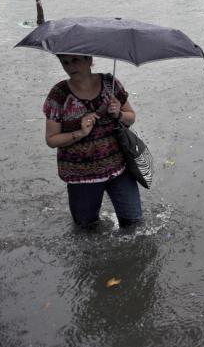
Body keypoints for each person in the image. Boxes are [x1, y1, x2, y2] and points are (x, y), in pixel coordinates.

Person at [43, 55, 142, 228]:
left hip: (120, 168)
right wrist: (80, 133)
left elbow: (131, 118)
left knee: (134, 224)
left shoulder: (110, 84)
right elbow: (51, 140)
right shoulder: (58, 94)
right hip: (80, 176)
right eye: (65, 62)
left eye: (75, 60)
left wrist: (118, 113)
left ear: (89, 60)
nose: (70, 66)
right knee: (86, 230)